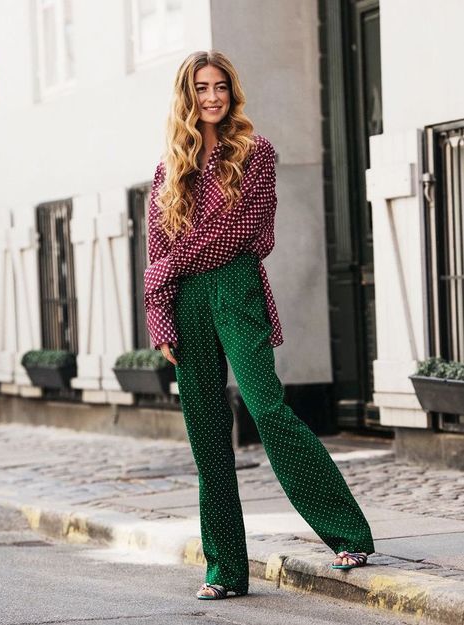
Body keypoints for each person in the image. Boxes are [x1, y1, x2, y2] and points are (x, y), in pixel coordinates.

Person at [144, 50, 374, 600]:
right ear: (186, 96)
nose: (212, 97)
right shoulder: (168, 168)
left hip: (236, 289)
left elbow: (247, 231)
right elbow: (155, 250)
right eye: (201, 88)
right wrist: (160, 318)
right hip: (186, 304)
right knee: (205, 433)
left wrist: (172, 265)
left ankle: (347, 534)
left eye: (220, 85)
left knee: (267, 409)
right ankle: (224, 569)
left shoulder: (256, 153)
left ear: (232, 90)